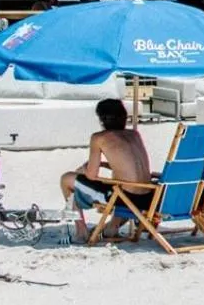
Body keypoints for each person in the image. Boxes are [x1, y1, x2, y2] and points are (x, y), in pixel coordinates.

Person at [61, 97, 154, 236]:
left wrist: (84, 168)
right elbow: (129, 167)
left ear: (102, 119)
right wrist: (105, 164)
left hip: (125, 198)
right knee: (117, 178)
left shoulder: (99, 138)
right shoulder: (134, 134)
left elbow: (92, 175)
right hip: (148, 196)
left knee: (66, 179)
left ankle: (81, 232)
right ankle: (112, 226)